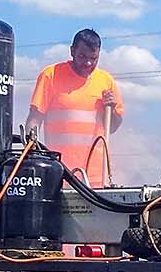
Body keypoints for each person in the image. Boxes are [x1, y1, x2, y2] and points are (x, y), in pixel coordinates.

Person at [26, 29, 124, 187]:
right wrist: (31, 154)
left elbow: (112, 127)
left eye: (94, 58)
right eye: (82, 57)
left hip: (96, 177)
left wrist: (112, 109)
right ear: (72, 51)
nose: (88, 63)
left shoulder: (106, 81)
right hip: (60, 172)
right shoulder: (51, 75)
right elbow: (34, 119)